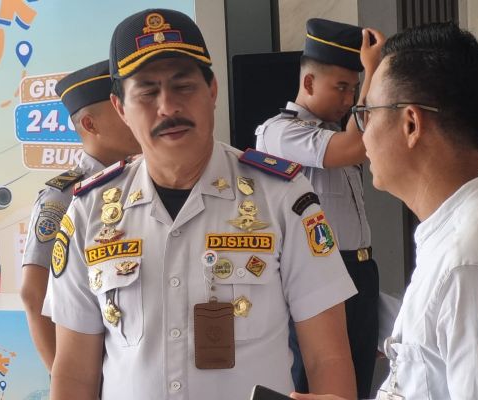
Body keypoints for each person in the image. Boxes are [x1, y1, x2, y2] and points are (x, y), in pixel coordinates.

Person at [46, 9, 358, 400]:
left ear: (212, 91)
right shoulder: (89, 212)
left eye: (183, 86)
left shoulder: (283, 197)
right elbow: (75, 373)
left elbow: (327, 358)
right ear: (121, 107)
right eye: (147, 92)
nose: (168, 107)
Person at [291, 22, 478, 400]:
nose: (363, 132)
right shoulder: (459, 236)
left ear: (411, 124)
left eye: (367, 112)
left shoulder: (470, 266)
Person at [255, 19, 385, 398]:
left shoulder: (337, 131)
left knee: (357, 386)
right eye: (341, 87)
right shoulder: (279, 131)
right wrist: (373, 69)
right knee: (312, 384)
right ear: (309, 83)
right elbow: (355, 148)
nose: (348, 99)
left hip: (360, 271)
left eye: (354, 89)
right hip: (318, 275)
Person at [20, 60, 141, 371]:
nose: (134, 115)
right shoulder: (63, 197)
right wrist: (67, 378)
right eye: (120, 108)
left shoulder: (141, 181)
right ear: (90, 124)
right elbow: (33, 295)